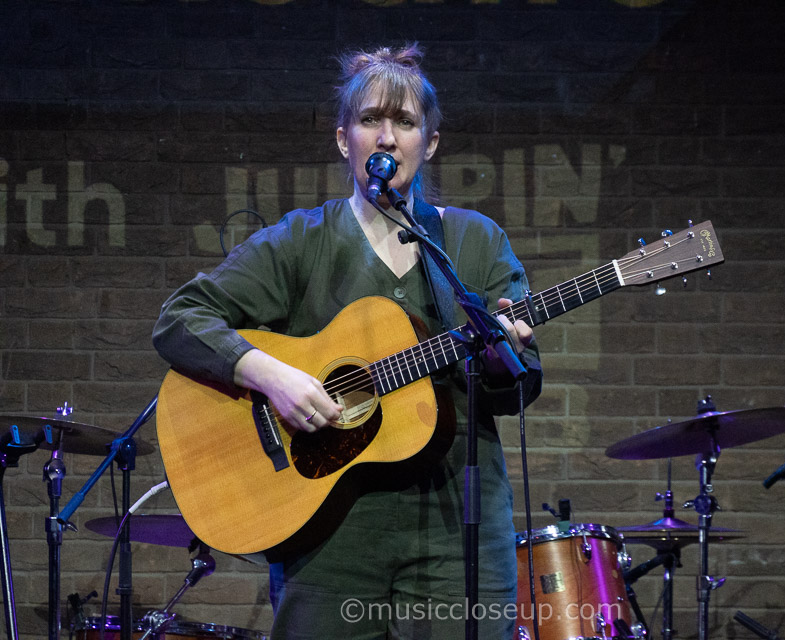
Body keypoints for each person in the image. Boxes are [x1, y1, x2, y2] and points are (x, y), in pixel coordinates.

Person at [152, 43, 542, 640]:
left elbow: (520, 386)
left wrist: (501, 356)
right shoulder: (300, 241)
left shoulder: (475, 242)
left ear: (429, 143)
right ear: (344, 140)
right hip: (329, 533)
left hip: (457, 530)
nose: (387, 138)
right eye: (370, 121)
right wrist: (266, 372)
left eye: (405, 123)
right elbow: (180, 317)